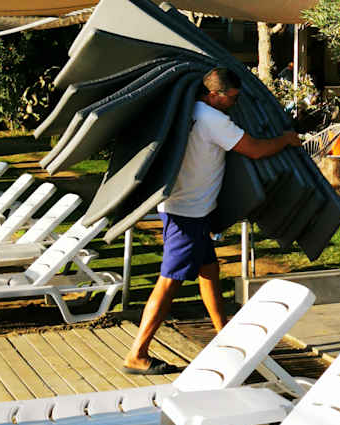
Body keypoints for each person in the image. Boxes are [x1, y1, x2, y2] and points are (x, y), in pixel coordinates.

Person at [122, 65, 301, 373]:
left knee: (209, 269)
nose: (235, 103)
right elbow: (255, 150)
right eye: (233, 97)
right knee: (169, 281)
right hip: (187, 213)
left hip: (184, 208)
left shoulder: (189, 111)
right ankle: (137, 353)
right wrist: (285, 139)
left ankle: (223, 334)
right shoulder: (213, 120)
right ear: (216, 95)